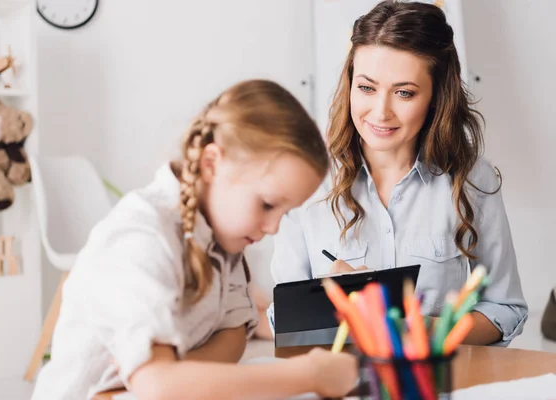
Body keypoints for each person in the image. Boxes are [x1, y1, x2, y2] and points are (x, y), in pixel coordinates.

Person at [31, 80, 358, 400]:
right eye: (267, 205)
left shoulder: (226, 240)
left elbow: (233, 337)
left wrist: (180, 375)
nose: (273, 228)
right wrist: (309, 373)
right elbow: (159, 387)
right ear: (211, 164)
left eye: (284, 214)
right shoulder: (142, 236)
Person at [270, 0, 527, 347]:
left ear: (437, 96)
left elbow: (505, 308)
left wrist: (411, 330)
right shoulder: (310, 179)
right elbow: (281, 320)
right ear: (350, 84)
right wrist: (334, 308)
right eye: (366, 88)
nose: (380, 112)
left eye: (404, 92)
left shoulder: (471, 179)